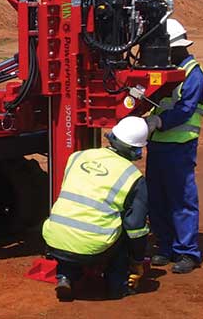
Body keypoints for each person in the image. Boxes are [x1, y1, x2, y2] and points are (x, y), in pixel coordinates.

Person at [42, 116, 150, 301]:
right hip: (93, 246)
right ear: (136, 149)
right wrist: (137, 260)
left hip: (54, 240)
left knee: (74, 228)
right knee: (124, 232)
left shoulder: (78, 157)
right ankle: (118, 286)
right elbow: (136, 228)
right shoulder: (133, 177)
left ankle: (65, 276)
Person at [145, 18, 203, 274]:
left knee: (181, 199)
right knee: (157, 198)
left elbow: (185, 109)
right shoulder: (164, 70)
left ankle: (187, 252)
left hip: (180, 147)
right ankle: (165, 246)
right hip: (157, 145)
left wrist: (159, 121)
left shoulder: (193, 74)